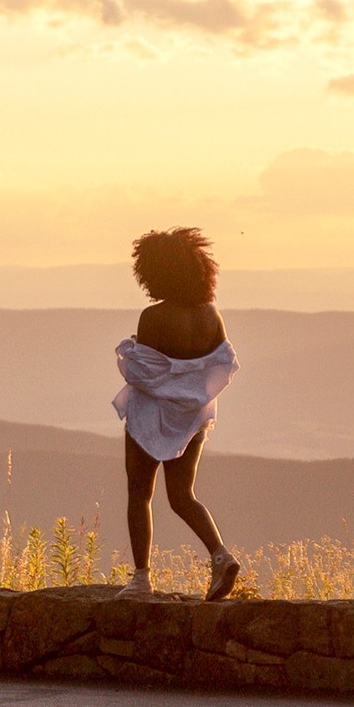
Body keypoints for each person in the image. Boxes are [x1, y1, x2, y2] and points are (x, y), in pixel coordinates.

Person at [111, 228, 241, 600]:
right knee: (183, 495)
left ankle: (141, 579)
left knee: (140, 494)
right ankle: (220, 555)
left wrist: (130, 348)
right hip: (192, 419)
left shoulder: (153, 317)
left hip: (150, 419)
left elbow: (144, 372)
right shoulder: (211, 316)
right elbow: (222, 363)